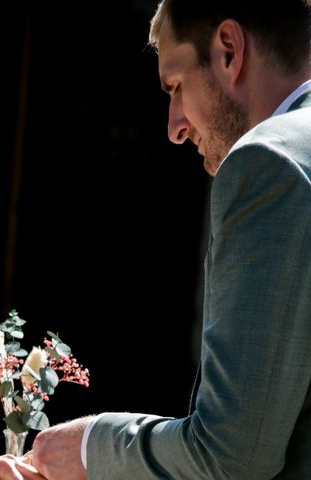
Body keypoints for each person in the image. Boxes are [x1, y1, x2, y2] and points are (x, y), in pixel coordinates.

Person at [26, 0, 311, 478]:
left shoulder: (270, 161)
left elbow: (232, 455)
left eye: (177, 85)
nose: (175, 127)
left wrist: (90, 446)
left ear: (228, 51)